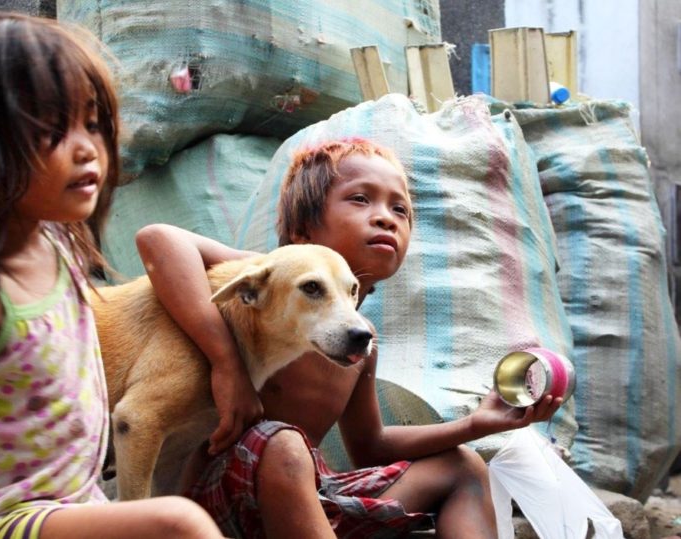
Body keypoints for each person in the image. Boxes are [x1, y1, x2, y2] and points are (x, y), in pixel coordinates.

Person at [136, 139, 563, 538]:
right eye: (361, 199)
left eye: (401, 210)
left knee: (463, 467)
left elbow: (369, 445)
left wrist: (472, 425)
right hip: (219, 494)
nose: (385, 217)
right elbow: (159, 239)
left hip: (312, 495)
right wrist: (227, 363)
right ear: (302, 231)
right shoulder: (266, 282)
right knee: (281, 443)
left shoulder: (360, 339)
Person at [0, 13, 222, 539]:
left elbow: (169, 241)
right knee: (176, 523)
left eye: (92, 122)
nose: (88, 147)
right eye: (50, 129)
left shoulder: (56, 238)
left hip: (66, 501)